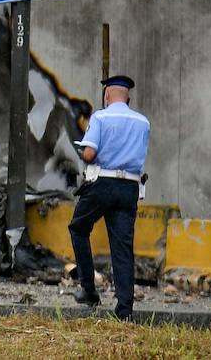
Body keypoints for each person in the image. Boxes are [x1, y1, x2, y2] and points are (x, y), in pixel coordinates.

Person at [69, 74, 150, 320]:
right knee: (122, 248)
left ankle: (89, 290)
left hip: (102, 184)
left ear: (107, 95)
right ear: (128, 96)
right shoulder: (143, 122)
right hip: (130, 189)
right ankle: (124, 311)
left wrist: (82, 150)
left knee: (79, 228)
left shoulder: (101, 117)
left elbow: (91, 154)